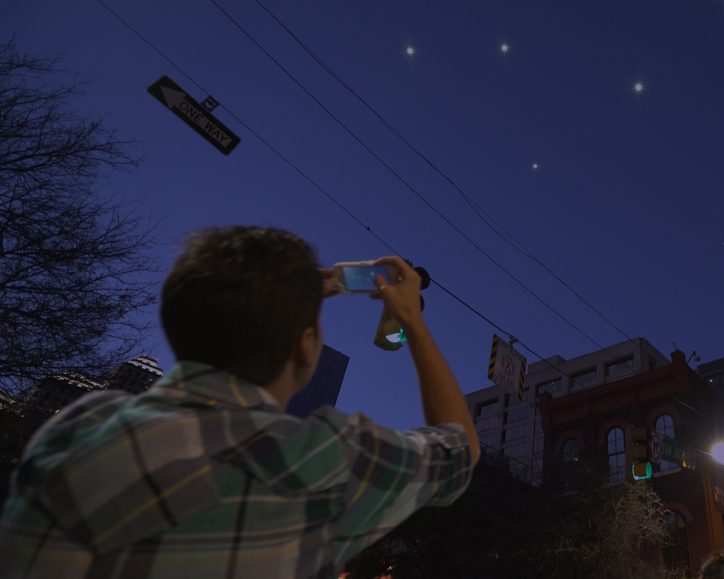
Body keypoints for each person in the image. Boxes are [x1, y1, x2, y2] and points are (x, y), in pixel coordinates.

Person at [0, 226, 480, 578]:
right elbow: (459, 451)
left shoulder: (76, 428)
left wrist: (300, 294)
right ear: (305, 348)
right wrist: (411, 320)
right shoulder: (320, 459)